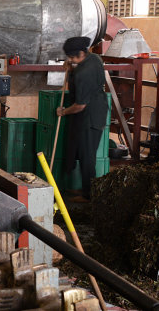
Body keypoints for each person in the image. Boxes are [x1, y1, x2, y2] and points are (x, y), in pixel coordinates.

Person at [56, 37, 109, 202]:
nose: (70, 60)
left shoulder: (83, 74)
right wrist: (71, 68)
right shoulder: (94, 58)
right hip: (98, 109)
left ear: (81, 53)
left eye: (72, 58)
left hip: (90, 117)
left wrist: (63, 112)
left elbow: (80, 105)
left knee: (87, 157)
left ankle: (89, 196)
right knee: (84, 152)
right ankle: (84, 190)